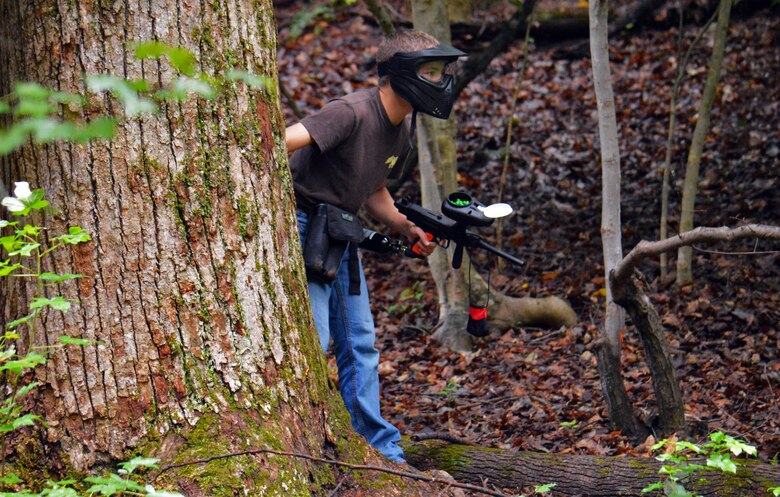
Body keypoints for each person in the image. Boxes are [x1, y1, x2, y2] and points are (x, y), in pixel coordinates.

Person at [284, 30, 465, 463]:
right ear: (400, 74)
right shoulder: (351, 112)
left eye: (441, 72)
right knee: (315, 337)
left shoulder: (400, 127)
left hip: (339, 235)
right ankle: (305, 442)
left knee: (360, 341)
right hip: (304, 225)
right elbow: (282, 140)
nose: (439, 81)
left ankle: (377, 447)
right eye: (431, 71)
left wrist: (406, 227)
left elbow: (373, 187)